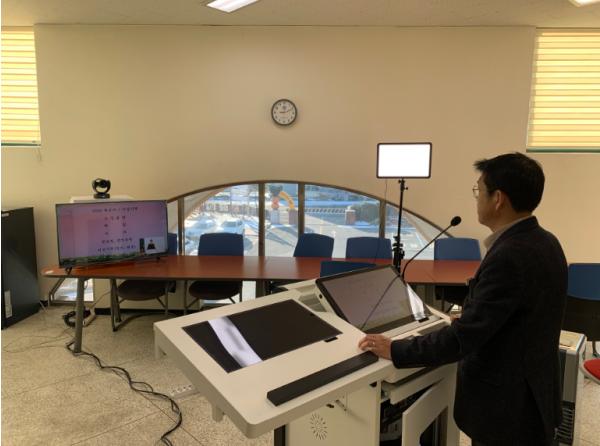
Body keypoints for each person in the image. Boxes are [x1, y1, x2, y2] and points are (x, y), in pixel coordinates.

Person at [359, 152, 567, 446]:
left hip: (508, 410)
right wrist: (476, 316)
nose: (476, 198)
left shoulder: (509, 255)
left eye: (478, 190)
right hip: (535, 395)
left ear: (498, 199)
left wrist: (394, 349)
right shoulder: (547, 241)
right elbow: (524, 316)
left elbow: (462, 340)